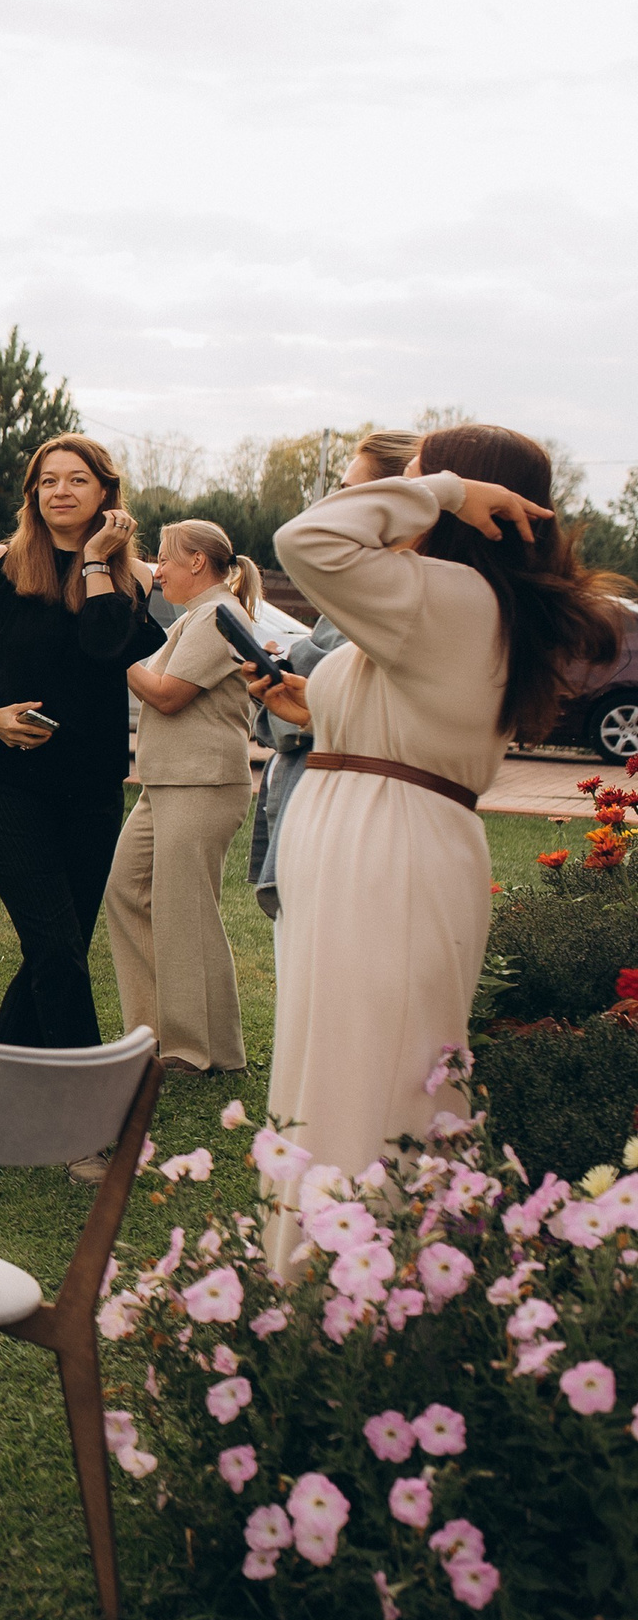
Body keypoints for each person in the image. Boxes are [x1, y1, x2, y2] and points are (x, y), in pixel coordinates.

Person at [250, 425, 620, 1211]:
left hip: (387, 850)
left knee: (367, 1073)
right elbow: (414, 713)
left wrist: (447, 492)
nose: (399, 491)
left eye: (419, 476)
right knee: (342, 1062)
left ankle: (352, 1279)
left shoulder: (449, 596)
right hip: (376, 836)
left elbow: (305, 539)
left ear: (473, 500)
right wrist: (317, 706)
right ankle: (334, 1277)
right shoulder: (454, 597)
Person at [0, 435, 164, 1080]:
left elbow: (105, 647)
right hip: (2, 784)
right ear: (33, 493)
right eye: (48, 481)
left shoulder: (132, 579)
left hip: (89, 790)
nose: (61, 491)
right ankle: (87, 1100)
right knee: (55, 946)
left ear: (106, 495)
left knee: (56, 952)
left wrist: (93, 561)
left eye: (77, 480)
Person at [104, 520, 263, 1076]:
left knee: (186, 912)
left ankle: (199, 1051)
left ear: (198, 562)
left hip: (203, 784)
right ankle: (153, 1033)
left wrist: (115, 652)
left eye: (167, 559)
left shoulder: (220, 616)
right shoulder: (197, 617)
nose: (159, 570)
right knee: (127, 890)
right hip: (166, 782)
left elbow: (168, 696)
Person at [247, 430, 414, 919]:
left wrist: (304, 691)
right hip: (310, 798)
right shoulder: (357, 596)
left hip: (349, 817)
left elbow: (297, 539)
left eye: (349, 492)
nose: (336, 504)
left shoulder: (395, 600)